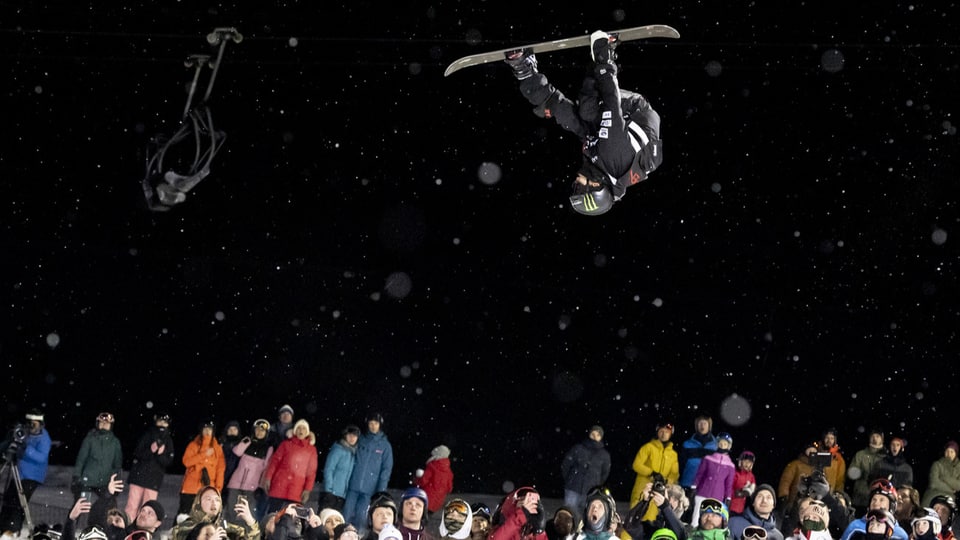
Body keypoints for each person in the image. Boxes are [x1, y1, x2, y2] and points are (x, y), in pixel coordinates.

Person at [503, 30, 663, 216]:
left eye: (575, 188)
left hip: (607, 136)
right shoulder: (613, 157)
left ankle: (525, 70)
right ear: (595, 185)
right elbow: (612, 102)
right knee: (588, 109)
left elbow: (579, 126)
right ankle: (606, 51)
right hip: (634, 110)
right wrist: (604, 58)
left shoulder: (598, 169)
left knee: (562, 112)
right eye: (579, 188)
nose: (575, 182)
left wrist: (552, 107)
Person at [0, 409, 52, 536]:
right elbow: (11, 444)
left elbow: (41, 457)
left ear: (40, 423)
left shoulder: (44, 437)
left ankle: (12, 529)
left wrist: (26, 449)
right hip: (19, 473)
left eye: (34, 424)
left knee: (19, 502)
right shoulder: (24, 433)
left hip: (33, 476)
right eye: (29, 423)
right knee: (8, 499)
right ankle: (3, 526)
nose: (31, 427)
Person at [343, 413, 394, 528]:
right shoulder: (361, 439)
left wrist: (380, 490)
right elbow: (347, 450)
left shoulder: (385, 446)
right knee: (346, 512)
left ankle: (359, 535)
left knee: (362, 517)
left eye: (375, 423)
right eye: (370, 423)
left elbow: (386, 469)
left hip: (369, 489)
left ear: (380, 425)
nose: (373, 426)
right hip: (353, 485)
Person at [124, 411, 176, 523]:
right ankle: (127, 530)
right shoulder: (147, 435)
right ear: (156, 421)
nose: (162, 424)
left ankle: (143, 532)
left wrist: (161, 454)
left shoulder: (168, 440)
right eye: (160, 421)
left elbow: (168, 462)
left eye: (165, 422)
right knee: (132, 507)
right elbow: (137, 452)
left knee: (148, 510)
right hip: (138, 477)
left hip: (153, 481)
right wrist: (150, 451)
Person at [264, 419, 318, 513]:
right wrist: (268, 478)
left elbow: (311, 472)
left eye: (304, 429)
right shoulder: (285, 444)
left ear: (307, 432)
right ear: (294, 431)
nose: (301, 430)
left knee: (290, 521)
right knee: (272, 516)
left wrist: (307, 489)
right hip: (279, 487)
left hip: (296, 491)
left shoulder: (311, 450)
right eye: (299, 428)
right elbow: (274, 462)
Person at [226, 419, 275, 522]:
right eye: (257, 430)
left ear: (266, 433)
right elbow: (237, 452)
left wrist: (261, 487)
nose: (259, 432)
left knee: (246, 516)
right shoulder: (247, 441)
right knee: (231, 513)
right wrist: (246, 442)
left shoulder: (268, 448)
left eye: (262, 431)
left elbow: (266, 469)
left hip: (252, 488)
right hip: (235, 484)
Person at [171, 485, 260, 540]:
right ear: (198, 503)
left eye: (217, 500)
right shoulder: (184, 528)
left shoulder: (227, 529)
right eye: (208, 499)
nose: (214, 503)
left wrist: (250, 521)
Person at [178, 420, 227, 519]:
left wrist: (218, 488)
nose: (208, 431)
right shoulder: (193, 445)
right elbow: (186, 462)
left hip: (208, 488)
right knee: (184, 515)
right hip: (190, 487)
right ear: (201, 430)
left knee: (204, 517)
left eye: (210, 429)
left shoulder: (218, 449)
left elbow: (220, 470)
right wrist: (204, 455)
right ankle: (177, 534)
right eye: (205, 429)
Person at [72, 412, 123, 503]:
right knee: (82, 506)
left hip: (105, 482)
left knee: (106, 508)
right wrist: (76, 477)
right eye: (101, 423)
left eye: (106, 424)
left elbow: (117, 465)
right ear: (97, 424)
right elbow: (81, 459)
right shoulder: (90, 439)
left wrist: (117, 481)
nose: (103, 425)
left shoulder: (115, 442)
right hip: (87, 480)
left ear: (111, 426)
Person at [563, 426, 612, 517]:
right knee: (568, 514)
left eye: (598, 435)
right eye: (593, 433)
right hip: (573, 488)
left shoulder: (604, 455)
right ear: (589, 434)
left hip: (590, 491)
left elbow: (605, 473)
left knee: (585, 516)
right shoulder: (578, 448)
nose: (595, 436)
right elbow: (566, 465)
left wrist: (595, 484)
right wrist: (570, 479)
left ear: (601, 437)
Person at [692, 433, 736, 526]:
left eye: (725, 444)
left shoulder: (730, 466)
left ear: (729, 446)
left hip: (717, 496)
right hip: (703, 492)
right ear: (717, 444)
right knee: (696, 517)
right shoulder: (708, 459)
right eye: (720, 443)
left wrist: (728, 497)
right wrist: (694, 486)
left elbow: (729, 484)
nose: (722, 446)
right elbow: (700, 474)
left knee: (712, 519)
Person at [840, 482, 908, 540]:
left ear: (892, 506)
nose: (876, 503)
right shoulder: (855, 527)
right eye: (874, 499)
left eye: (881, 500)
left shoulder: (900, 535)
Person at [679, 418, 719, 517]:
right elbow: (680, 464)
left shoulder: (716, 446)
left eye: (705, 423)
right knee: (684, 514)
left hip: (707, 488)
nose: (702, 425)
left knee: (702, 516)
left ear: (709, 426)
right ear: (696, 425)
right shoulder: (687, 444)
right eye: (700, 423)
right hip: (687, 485)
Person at [320, 425, 360, 512]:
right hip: (331, 493)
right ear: (345, 435)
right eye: (350, 435)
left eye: (355, 436)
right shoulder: (338, 449)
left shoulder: (353, 454)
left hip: (342, 495)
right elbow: (329, 469)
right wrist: (328, 489)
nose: (352, 438)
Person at [848, 431, 887, 514]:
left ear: (882, 439)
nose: (875, 438)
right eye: (873, 436)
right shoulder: (860, 455)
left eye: (878, 436)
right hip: (860, 498)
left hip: (878, 499)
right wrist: (861, 473)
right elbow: (851, 474)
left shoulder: (886, 457)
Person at [416, 445, 455, 519]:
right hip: (437, 503)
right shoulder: (449, 472)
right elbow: (449, 488)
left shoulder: (432, 466)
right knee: (425, 519)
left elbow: (423, 481)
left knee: (416, 519)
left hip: (425, 499)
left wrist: (417, 479)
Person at [778, 444, 819, 512]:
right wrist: (784, 497)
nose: (812, 452)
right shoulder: (795, 464)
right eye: (810, 450)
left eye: (814, 450)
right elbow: (785, 481)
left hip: (813, 505)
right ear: (805, 451)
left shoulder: (818, 468)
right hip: (795, 502)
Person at [921, 442, 960, 508]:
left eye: (952, 451)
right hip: (932, 495)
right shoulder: (937, 464)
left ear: (956, 453)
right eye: (947, 451)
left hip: (948, 498)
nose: (949, 454)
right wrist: (951, 489)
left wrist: (944, 478)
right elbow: (933, 483)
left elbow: (958, 486)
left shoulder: (959, 468)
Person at [730, 452, 758, 516]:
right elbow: (729, 487)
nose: (747, 464)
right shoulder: (735, 474)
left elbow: (753, 489)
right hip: (730, 505)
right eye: (745, 461)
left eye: (749, 462)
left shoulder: (751, 476)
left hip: (741, 508)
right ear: (741, 462)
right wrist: (735, 493)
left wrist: (749, 492)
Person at [221, 421, 244, 494]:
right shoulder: (221, 444)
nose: (232, 431)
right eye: (230, 429)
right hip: (221, 476)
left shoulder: (242, 445)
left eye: (234, 429)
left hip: (235, 479)